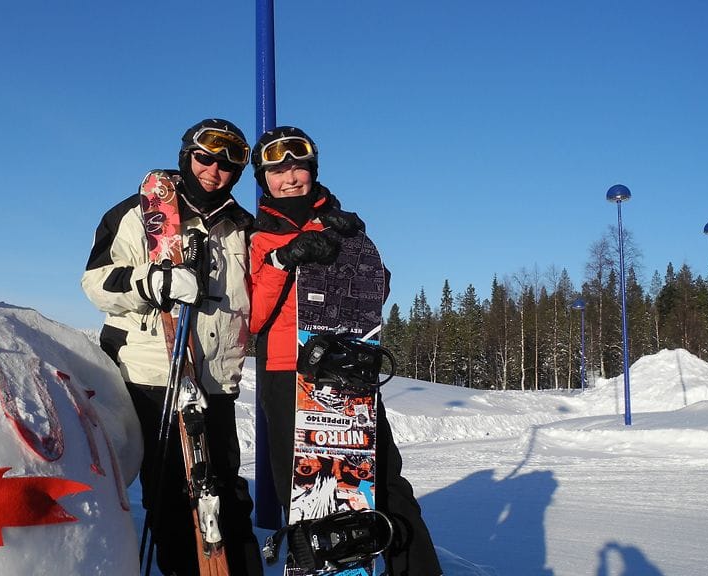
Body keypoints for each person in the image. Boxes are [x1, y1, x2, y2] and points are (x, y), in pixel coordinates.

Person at [248, 126, 443, 576]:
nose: (289, 177)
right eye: (276, 170)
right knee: (304, 490)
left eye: (297, 166)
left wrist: (355, 252)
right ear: (264, 178)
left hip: (348, 369)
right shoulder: (256, 237)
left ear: (312, 170)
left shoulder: (342, 225)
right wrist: (282, 261)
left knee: (383, 482)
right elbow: (252, 318)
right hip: (287, 371)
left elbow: (377, 292)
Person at [82, 118, 263, 576]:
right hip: (153, 377)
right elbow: (97, 282)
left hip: (215, 382)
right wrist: (152, 280)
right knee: (171, 497)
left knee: (225, 493)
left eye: (228, 163)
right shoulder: (137, 212)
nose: (214, 170)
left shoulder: (242, 227)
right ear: (187, 156)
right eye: (205, 157)